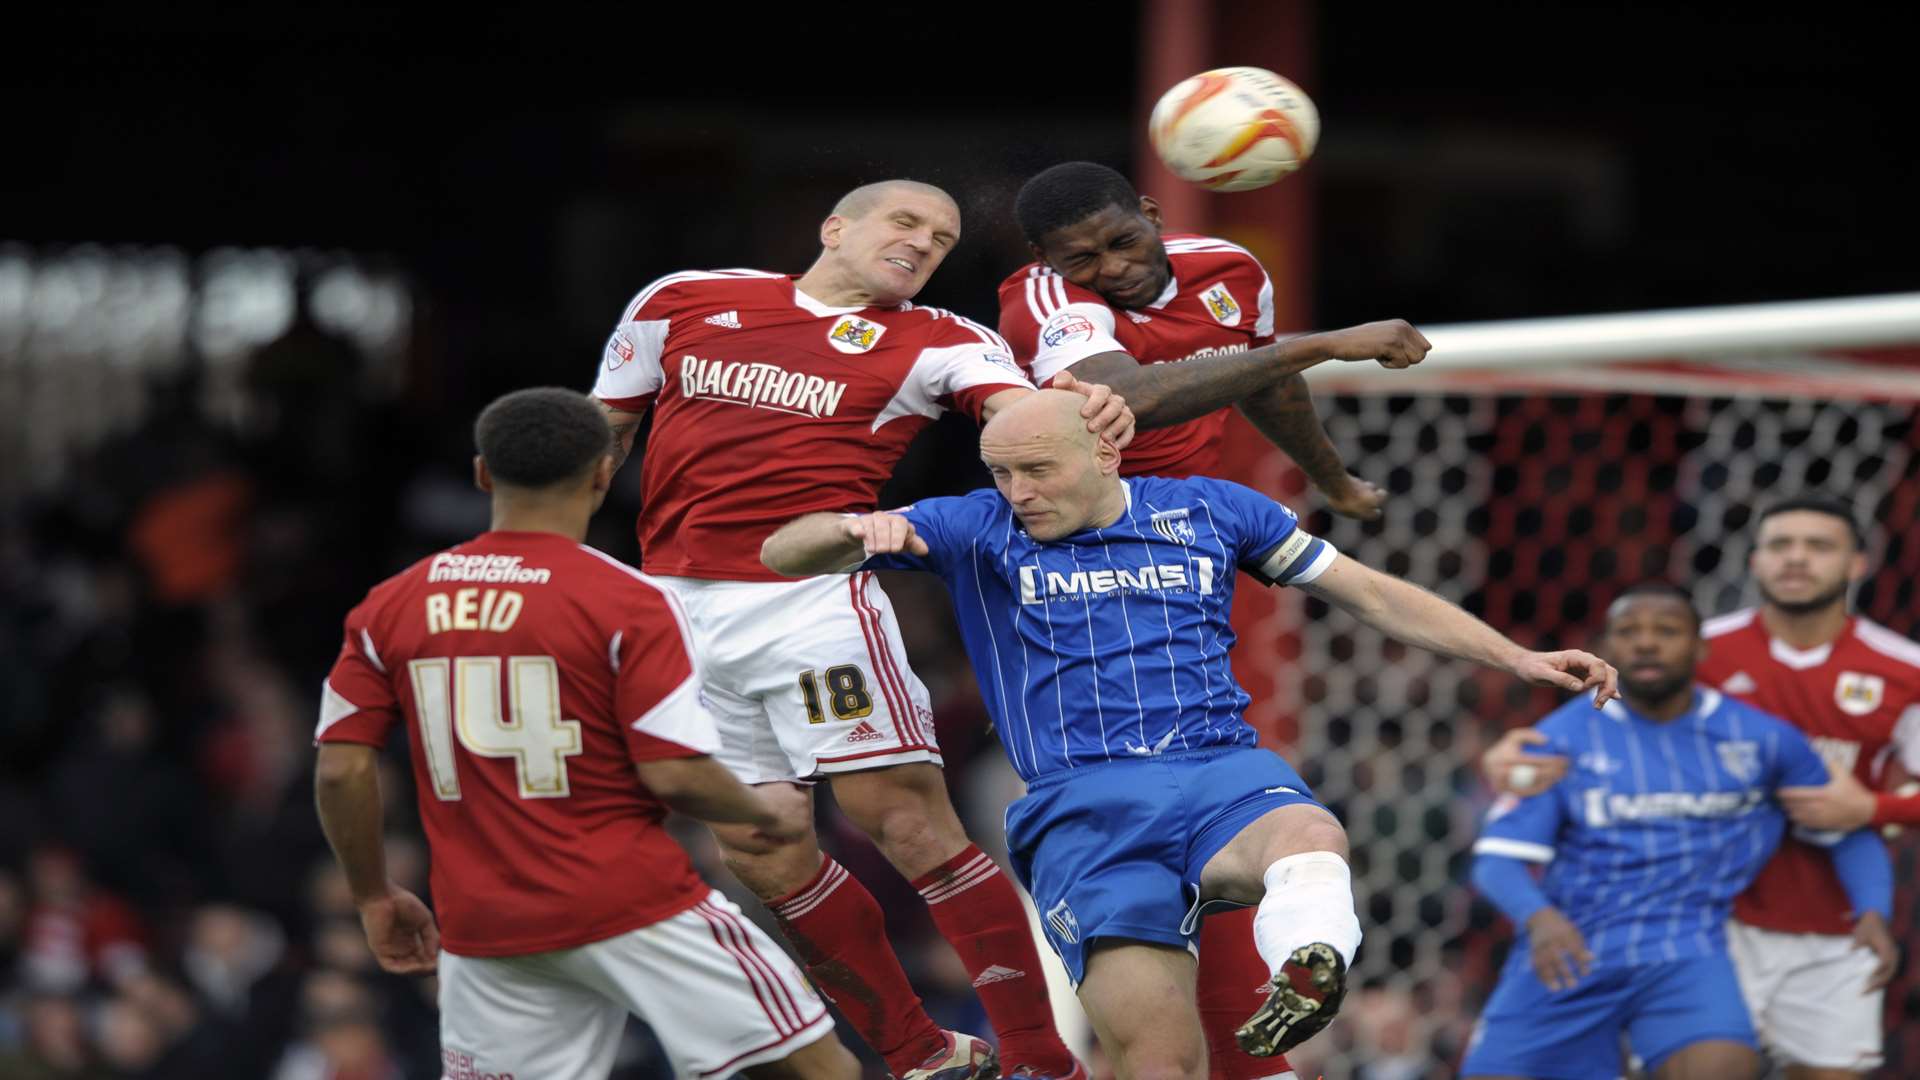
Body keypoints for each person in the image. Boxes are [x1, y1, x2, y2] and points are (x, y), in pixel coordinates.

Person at [759, 389, 1619, 1078]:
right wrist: (844, 530)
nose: (1019, 492)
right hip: (1081, 811)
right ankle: (1298, 958)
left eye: (1037, 470)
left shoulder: (1214, 512)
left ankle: (1309, 957)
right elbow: (779, 552)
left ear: (1104, 453)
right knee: (1162, 1062)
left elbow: (1370, 592)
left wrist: (1517, 656)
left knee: (1311, 833)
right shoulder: (973, 525)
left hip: (1217, 771)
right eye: (1002, 472)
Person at [591, 179, 1133, 1080]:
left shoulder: (941, 339)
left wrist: (1076, 408)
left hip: (810, 604)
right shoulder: (683, 299)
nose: (924, 244)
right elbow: (601, 433)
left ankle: (1041, 1059)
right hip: (673, 615)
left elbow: (1012, 409)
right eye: (906, 224)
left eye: (943, 239)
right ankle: (915, 1050)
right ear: (835, 227)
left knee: (907, 824)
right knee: (760, 846)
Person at [995, 159, 1433, 1077]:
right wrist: (1329, 340)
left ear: (1153, 213)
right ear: (1046, 259)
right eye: (1084, 260)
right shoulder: (1039, 299)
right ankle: (1068, 1029)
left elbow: (1263, 388)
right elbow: (1137, 395)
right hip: (1068, 543)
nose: (1111, 268)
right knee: (1120, 775)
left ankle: (1261, 1002)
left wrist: (1331, 477)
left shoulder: (1231, 269)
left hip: (1185, 535)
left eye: (1124, 240)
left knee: (1212, 762)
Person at [312, 387, 858, 1080]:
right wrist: (760, 812)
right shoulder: (629, 598)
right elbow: (675, 772)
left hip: (486, 928)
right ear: (603, 474)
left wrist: (371, 894)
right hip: (631, 903)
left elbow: (339, 770)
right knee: (823, 1071)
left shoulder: (391, 603)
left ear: (484, 475)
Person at [1481, 496, 1912, 1077]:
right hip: (1713, 925)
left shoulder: (1904, 669)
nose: (1797, 559)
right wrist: (1510, 753)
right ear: (1755, 560)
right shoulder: (1686, 646)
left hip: (1827, 924)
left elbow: (1855, 822)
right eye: (1781, 545)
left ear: (1859, 562)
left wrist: (1873, 809)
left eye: (1819, 546)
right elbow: (1598, 717)